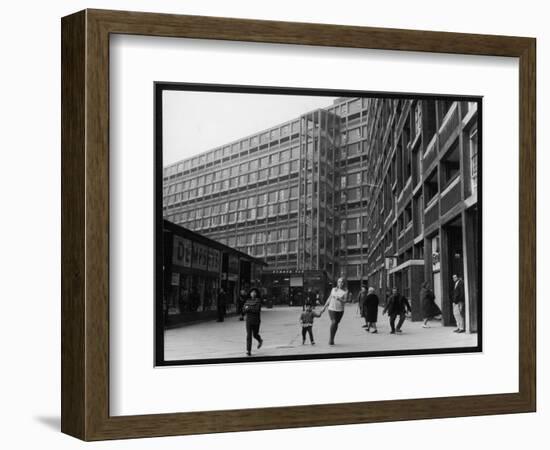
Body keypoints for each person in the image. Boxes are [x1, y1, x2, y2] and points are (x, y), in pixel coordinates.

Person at [321, 277, 349, 345]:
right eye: (339, 281)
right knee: (334, 322)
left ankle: (332, 338)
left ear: (343, 283)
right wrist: (324, 307)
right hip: (331, 308)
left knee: (336, 323)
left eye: (341, 282)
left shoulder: (345, 291)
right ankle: (331, 339)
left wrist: (340, 299)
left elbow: (345, 301)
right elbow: (329, 298)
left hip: (340, 310)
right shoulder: (333, 289)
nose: (340, 283)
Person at [242, 288, 263, 356]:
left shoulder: (258, 301)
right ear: (250, 294)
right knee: (249, 335)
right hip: (248, 320)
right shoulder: (247, 301)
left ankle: (260, 340)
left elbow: (256, 310)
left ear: (256, 293)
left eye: (254, 292)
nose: (253, 293)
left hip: (256, 320)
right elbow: (243, 310)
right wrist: (248, 308)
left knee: (255, 334)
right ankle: (248, 350)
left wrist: (248, 308)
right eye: (252, 292)